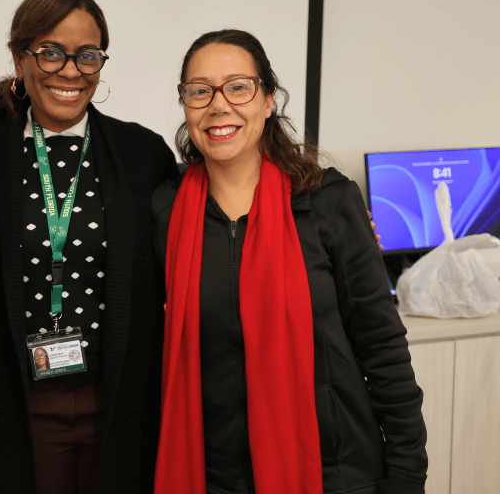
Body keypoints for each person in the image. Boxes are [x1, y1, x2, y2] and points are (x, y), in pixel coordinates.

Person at [151, 29, 428, 494]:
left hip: (334, 475)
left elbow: (382, 349)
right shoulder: (166, 209)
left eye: (238, 87)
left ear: (268, 100)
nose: (219, 105)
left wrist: (405, 477)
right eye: (199, 91)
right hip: (212, 478)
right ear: (185, 105)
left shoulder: (328, 202)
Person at [0, 0, 179, 494]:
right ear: (20, 58)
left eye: (87, 55)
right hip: (16, 412)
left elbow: (194, 242)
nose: (70, 71)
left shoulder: (144, 155)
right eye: (51, 53)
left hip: (122, 409)